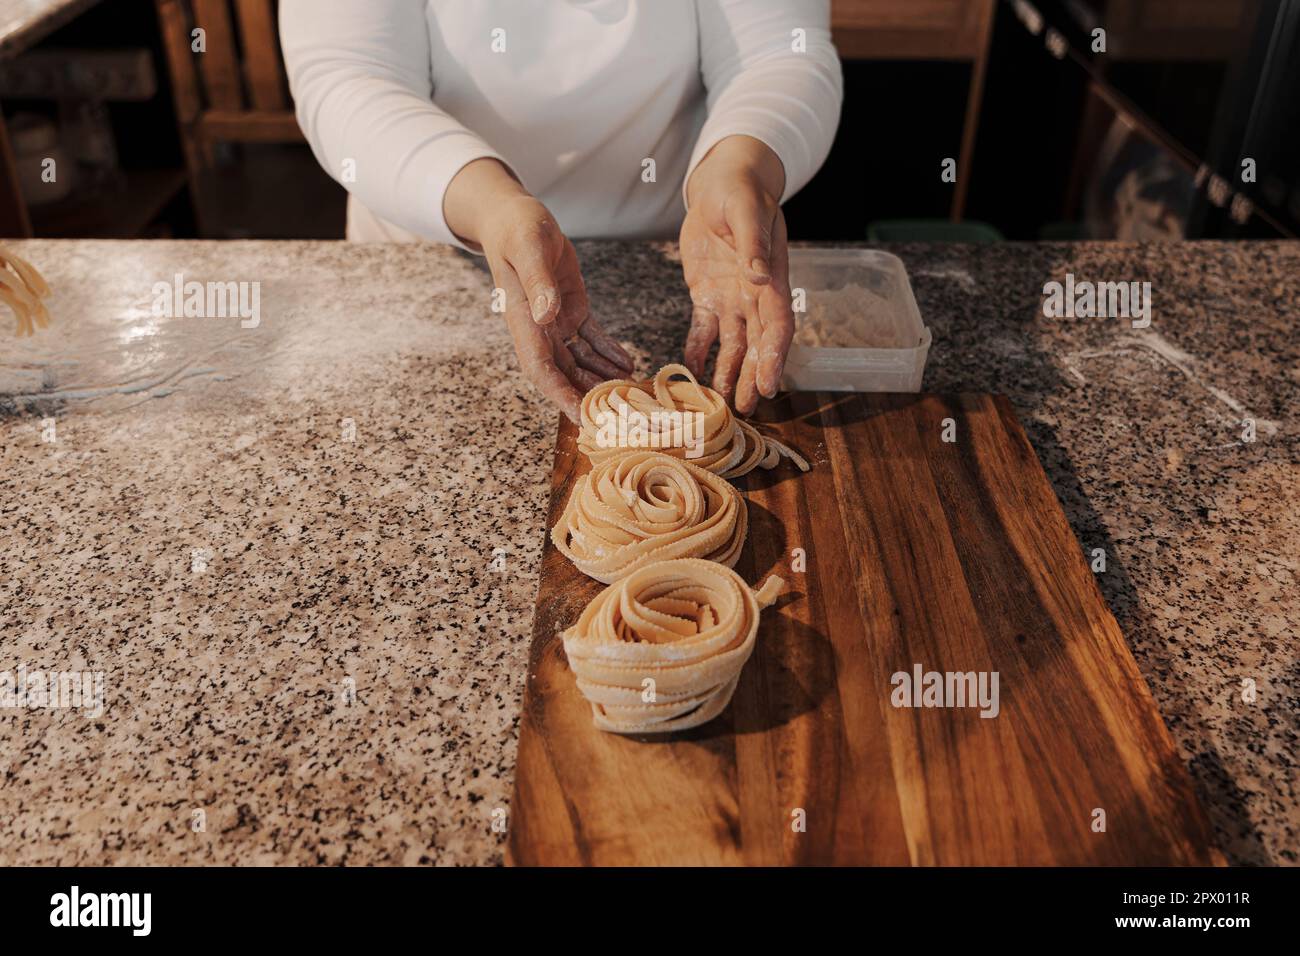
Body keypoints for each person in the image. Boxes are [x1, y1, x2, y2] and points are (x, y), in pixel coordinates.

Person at [281, 0, 842, 420]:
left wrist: (739, 165)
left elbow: (778, 51)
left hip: (680, 266)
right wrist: (493, 206)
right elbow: (349, 74)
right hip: (428, 263)